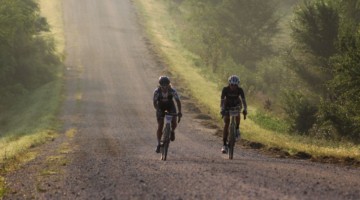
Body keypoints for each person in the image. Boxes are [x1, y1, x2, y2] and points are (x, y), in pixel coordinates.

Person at [153, 76, 182, 153]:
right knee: (160, 125)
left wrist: (179, 112)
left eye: (166, 85)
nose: (165, 87)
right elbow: (155, 103)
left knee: (174, 122)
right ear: (160, 85)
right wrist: (158, 111)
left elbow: (178, 101)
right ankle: (159, 144)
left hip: (170, 106)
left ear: (169, 85)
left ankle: (172, 131)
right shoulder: (157, 92)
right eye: (163, 86)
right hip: (160, 107)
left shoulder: (172, 91)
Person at [220, 75, 247, 154]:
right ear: (229, 84)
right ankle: (224, 145)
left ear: (237, 85)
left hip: (236, 104)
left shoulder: (240, 90)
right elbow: (222, 101)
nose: (233, 87)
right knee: (226, 123)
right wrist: (222, 109)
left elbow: (243, 100)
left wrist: (245, 109)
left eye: (235, 85)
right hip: (227, 104)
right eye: (232, 85)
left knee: (238, 112)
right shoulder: (225, 89)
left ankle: (237, 128)